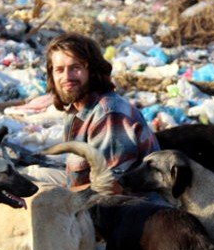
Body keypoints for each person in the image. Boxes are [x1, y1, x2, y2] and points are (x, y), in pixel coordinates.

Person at [45, 32, 159, 192]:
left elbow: (112, 189)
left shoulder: (109, 114)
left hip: (130, 208)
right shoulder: (76, 109)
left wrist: (60, 197)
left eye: (75, 68)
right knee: (31, 176)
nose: (67, 77)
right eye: (59, 70)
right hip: (91, 192)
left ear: (92, 71)